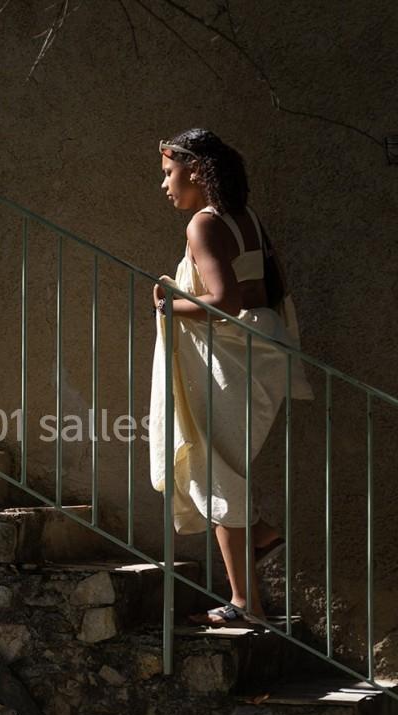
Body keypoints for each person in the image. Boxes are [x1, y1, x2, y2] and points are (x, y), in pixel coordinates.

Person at [148, 128, 314, 626]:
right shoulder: (245, 218)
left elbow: (225, 301)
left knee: (214, 467)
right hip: (261, 351)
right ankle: (258, 540)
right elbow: (262, 292)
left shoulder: (202, 224)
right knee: (221, 465)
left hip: (233, 356)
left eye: (169, 173)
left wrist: (167, 304)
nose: (165, 186)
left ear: (195, 171)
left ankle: (245, 604)